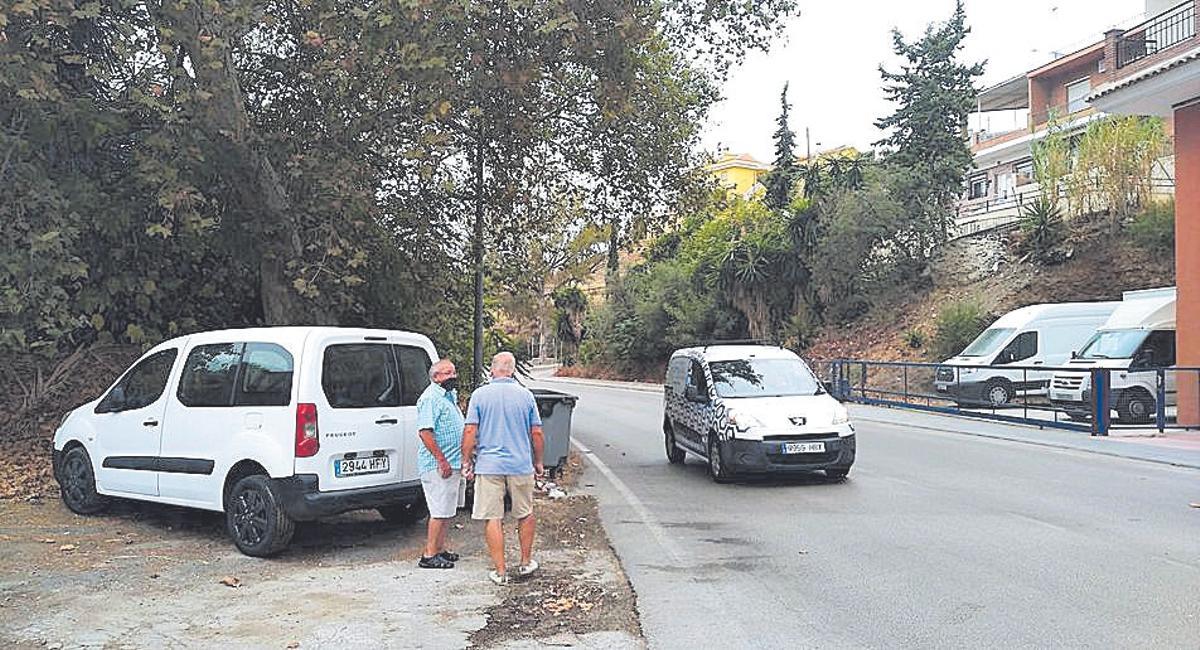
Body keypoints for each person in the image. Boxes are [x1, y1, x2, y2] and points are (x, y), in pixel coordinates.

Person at [461, 351, 544, 586]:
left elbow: (470, 430)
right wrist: (538, 461)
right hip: (520, 464)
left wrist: (466, 460)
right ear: (513, 371)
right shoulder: (526, 396)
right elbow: (537, 432)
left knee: (493, 517)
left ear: (492, 370)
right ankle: (525, 562)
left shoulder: (480, 395)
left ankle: (500, 571)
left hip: (489, 465)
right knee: (525, 512)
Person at [414, 358, 465, 569]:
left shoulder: (448, 396)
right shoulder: (430, 399)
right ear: (436, 377)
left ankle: (439, 549)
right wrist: (441, 460)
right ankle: (429, 555)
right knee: (438, 510)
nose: (453, 376)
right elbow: (425, 432)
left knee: (447, 510)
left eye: (454, 372)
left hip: (452, 463)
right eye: (447, 373)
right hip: (438, 465)